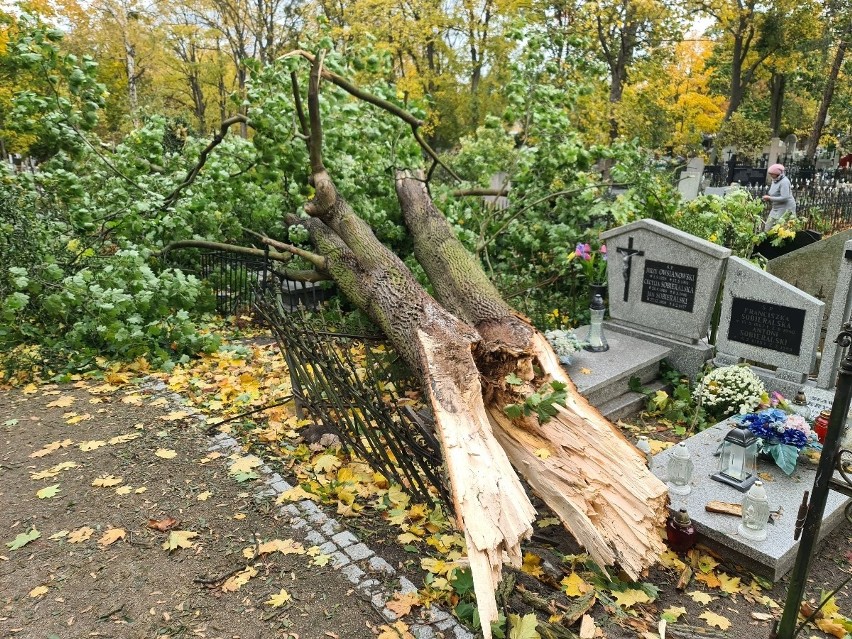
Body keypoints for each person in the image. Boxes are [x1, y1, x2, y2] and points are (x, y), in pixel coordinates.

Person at [762, 163, 796, 231]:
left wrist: (770, 198)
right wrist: (769, 198)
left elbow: (785, 197)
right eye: (770, 173)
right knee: (768, 226)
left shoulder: (784, 182)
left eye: (772, 173)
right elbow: (774, 192)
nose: (770, 175)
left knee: (780, 228)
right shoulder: (774, 180)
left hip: (785, 207)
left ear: (777, 173)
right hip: (776, 207)